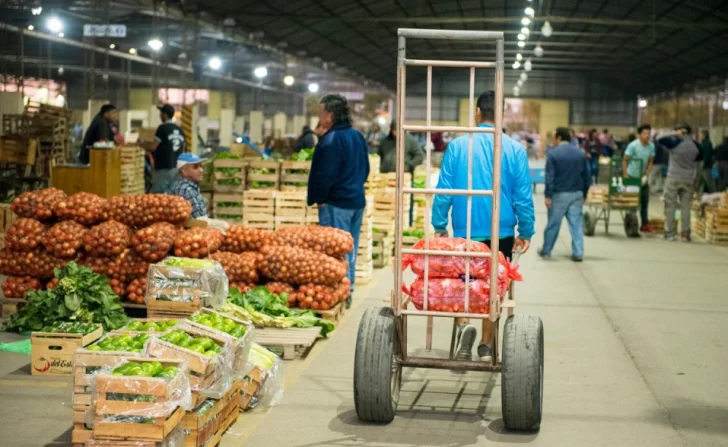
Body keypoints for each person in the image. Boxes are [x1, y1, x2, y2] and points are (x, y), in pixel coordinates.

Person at [432, 90, 535, 362]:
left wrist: (439, 223)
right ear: (501, 115)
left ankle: (464, 325)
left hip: (465, 231)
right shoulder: (514, 149)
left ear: (478, 114)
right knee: (493, 287)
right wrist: (526, 230)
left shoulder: (457, 146)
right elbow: (523, 196)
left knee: (463, 284)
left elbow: (444, 190)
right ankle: (486, 343)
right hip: (500, 233)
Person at [307, 94, 369, 308]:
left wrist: (321, 199)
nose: (319, 116)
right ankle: (348, 289)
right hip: (356, 202)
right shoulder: (357, 136)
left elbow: (325, 175)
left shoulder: (331, 141)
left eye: (321, 112)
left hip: (336, 204)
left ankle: (341, 291)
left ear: (330, 115)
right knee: (350, 248)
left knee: (334, 251)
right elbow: (366, 169)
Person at [538, 127, 591, 261]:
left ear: (559, 138)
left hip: (559, 194)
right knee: (576, 224)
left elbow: (550, 177)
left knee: (553, 224)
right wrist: (584, 192)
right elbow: (587, 175)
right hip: (577, 193)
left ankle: (547, 250)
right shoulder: (580, 153)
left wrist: (548, 195)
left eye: (554, 137)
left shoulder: (553, 154)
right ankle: (578, 252)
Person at [658, 124, 703, 242]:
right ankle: (685, 234)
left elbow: (659, 138)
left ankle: (670, 234)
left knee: (670, 206)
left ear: (682, 132)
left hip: (673, 178)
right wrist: (696, 181)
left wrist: (673, 134)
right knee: (686, 207)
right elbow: (699, 165)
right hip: (688, 180)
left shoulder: (674, 143)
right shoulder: (697, 145)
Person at [140, 104, 186, 193]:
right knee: (172, 194)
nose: (160, 115)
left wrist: (140, 144)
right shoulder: (180, 130)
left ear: (164, 115)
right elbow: (183, 149)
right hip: (177, 168)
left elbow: (153, 147)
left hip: (164, 168)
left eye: (161, 113)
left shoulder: (162, 128)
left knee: (157, 195)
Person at [622, 124, 655, 234]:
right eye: (644, 133)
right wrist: (626, 175)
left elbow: (651, 161)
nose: (647, 135)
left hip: (642, 178)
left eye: (648, 133)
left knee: (645, 202)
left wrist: (646, 175)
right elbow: (625, 160)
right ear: (639, 134)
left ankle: (644, 224)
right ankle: (631, 223)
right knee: (633, 202)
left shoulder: (651, 146)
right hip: (632, 176)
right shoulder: (633, 146)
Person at [168, 153, 208, 219]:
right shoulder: (186, 189)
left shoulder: (189, 187)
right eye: (195, 167)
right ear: (185, 171)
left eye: (201, 166)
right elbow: (199, 220)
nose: (201, 170)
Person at [698, 130, 716, 194]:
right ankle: (699, 196)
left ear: (704, 135)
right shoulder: (703, 143)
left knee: (710, 183)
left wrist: (703, 163)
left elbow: (707, 155)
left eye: (701, 134)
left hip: (707, 167)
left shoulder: (707, 144)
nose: (699, 136)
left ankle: (715, 196)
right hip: (703, 167)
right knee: (701, 183)